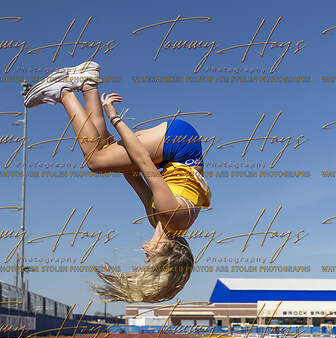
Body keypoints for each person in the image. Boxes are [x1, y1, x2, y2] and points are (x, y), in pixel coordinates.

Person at [24, 61, 211, 303]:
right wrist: (115, 118)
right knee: (96, 161)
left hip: (174, 154)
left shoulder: (158, 220)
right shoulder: (172, 216)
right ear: (166, 255)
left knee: (103, 153)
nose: (145, 258)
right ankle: (63, 92)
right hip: (180, 142)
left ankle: (88, 82)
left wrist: (112, 149)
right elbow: (142, 160)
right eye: (151, 262)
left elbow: (132, 174)